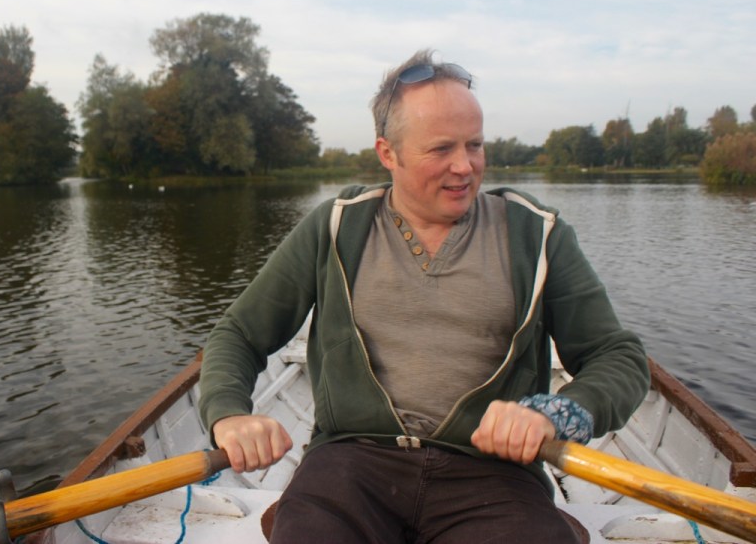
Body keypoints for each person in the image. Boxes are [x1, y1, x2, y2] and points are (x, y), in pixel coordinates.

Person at [198, 49, 650, 543]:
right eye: (441, 149)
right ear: (387, 153)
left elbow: (618, 358)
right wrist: (229, 414)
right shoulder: (334, 225)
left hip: (494, 474)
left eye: (474, 145)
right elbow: (239, 334)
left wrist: (554, 414)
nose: (465, 166)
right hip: (350, 464)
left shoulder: (536, 233)